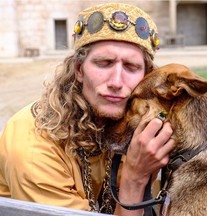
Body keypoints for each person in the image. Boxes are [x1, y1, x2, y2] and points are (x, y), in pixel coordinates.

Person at [0, 2, 175, 216]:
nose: (117, 82)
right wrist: (136, 177)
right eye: (104, 63)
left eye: (131, 67)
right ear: (79, 70)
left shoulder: (128, 122)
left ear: (146, 77)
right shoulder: (33, 146)